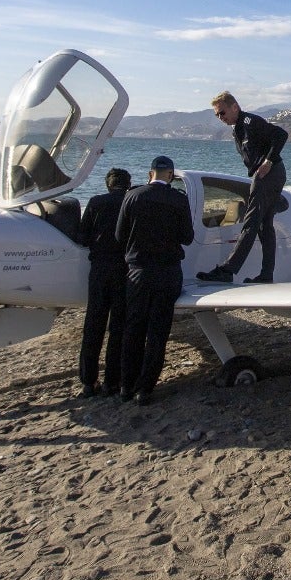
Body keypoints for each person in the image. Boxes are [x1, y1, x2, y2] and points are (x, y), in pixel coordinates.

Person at [116, 156, 194, 405]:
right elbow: (187, 237)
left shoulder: (132, 196)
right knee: (158, 332)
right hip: (168, 272)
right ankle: (145, 388)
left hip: (138, 272)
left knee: (134, 329)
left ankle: (126, 385)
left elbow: (120, 235)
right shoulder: (179, 200)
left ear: (151, 174)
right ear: (170, 175)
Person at [197, 92, 288, 284]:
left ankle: (228, 270)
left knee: (251, 221)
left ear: (235, 107)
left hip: (268, 174)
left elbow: (281, 134)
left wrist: (268, 162)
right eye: (217, 115)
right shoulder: (237, 129)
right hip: (268, 175)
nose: (221, 118)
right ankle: (266, 275)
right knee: (264, 226)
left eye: (222, 113)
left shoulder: (249, 122)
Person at [74, 167, 131, 397]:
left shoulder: (96, 202)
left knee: (93, 325)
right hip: (124, 269)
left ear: (108, 185)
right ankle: (111, 382)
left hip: (99, 270)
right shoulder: (131, 202)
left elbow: (82, 236)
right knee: (118, 327)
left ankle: (88, 382)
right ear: (128, 184)